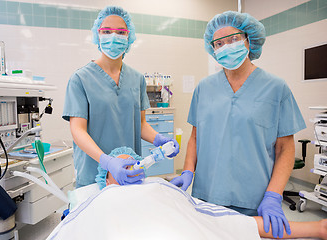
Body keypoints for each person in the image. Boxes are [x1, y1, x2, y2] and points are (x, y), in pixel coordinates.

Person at [170, 11, 306, 239]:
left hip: (255, 198)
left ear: (248, 39)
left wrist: (273, 195)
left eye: (232, 39)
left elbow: (285, 149)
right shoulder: (204, 88)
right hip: (208, 195)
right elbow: (195, 137)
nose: (225, 47)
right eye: (219, 43)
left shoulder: (276, 88)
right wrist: (187, 171)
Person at [48, 148, 327, 240]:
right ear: (106, 175)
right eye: (121, 165)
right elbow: (74, 224)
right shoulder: (100, 196)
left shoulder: (157, 186)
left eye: (133, 163)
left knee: (226, 223)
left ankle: (317, 228)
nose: (129, 168)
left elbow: (217, 219)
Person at [62, 6, 179, 189]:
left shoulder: (136, 78)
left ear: (129, 37)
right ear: (97, 36)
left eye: (120, 32)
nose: (113, 36)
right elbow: (78, 131)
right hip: (94, 172)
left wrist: (160, 140)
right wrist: (107, 162)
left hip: (129, 169)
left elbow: (140, 124)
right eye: (107, 31)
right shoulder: (80, 79)